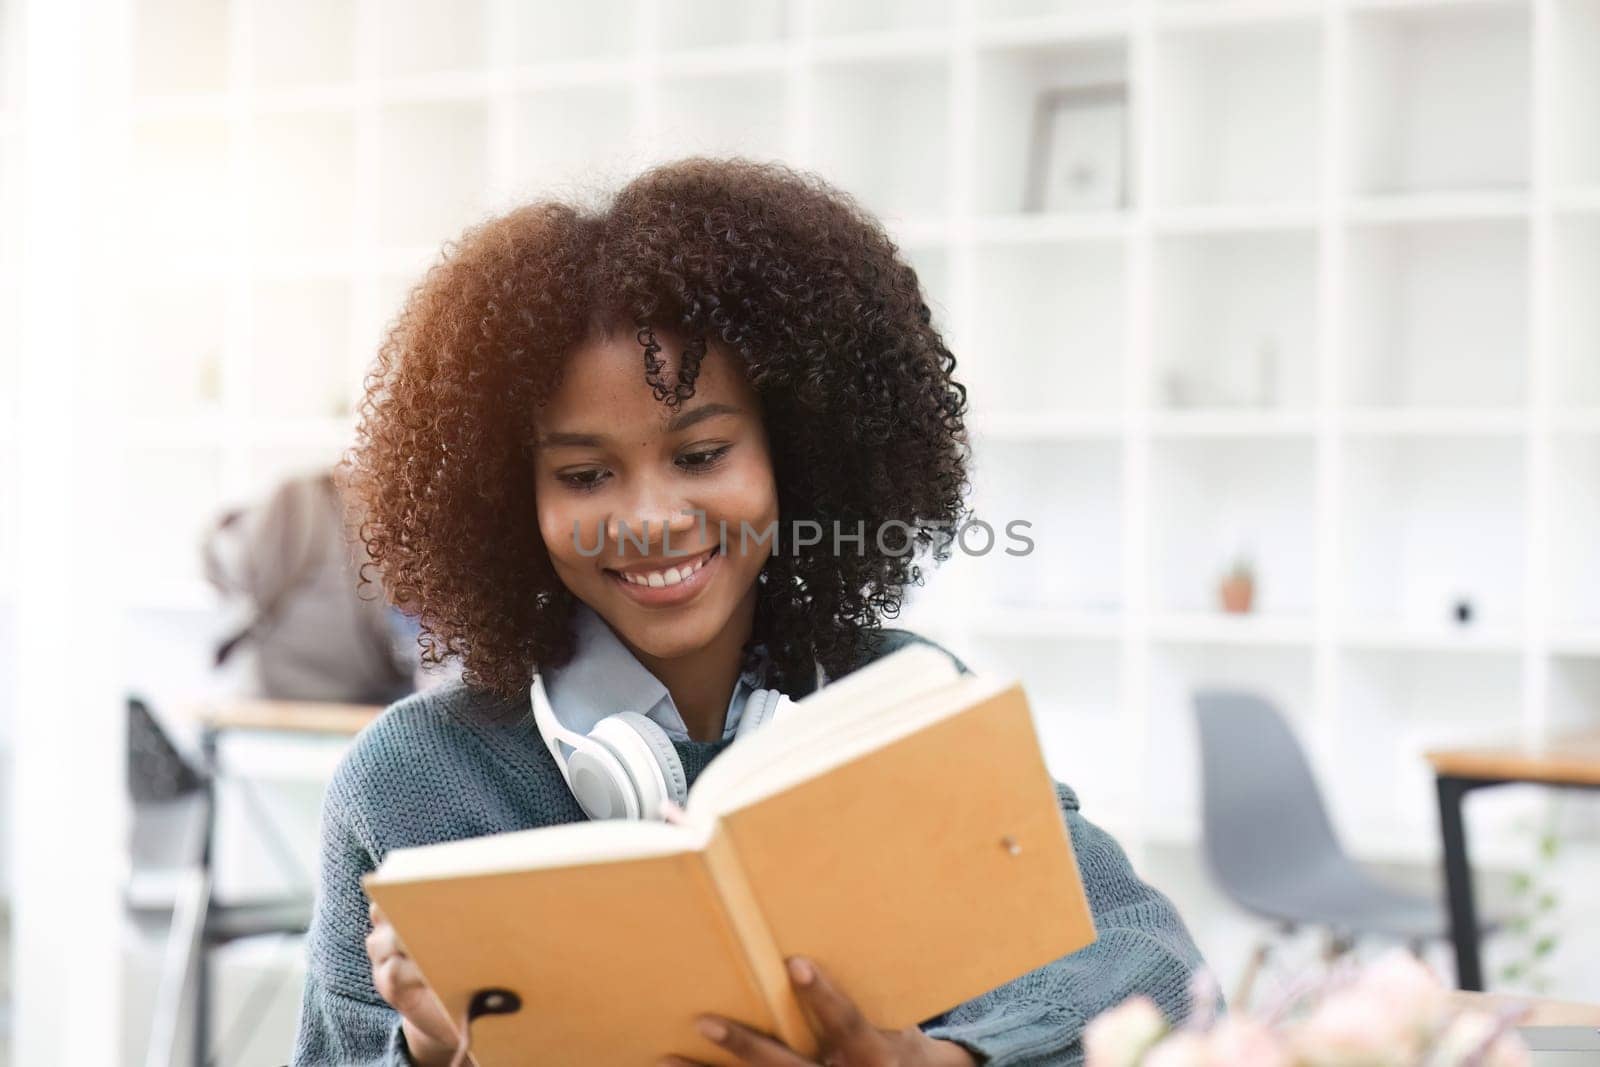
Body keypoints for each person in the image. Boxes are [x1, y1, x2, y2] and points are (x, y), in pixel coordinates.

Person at [291, 157, 1208, 1067]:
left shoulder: (904, 707)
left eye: (700, 454)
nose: (651, 518)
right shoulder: (413, 780)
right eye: (584, 474)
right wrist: (427, 1051)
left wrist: (946, 1062)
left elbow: (1154, 969)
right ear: (507, 497)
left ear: (796, 451)